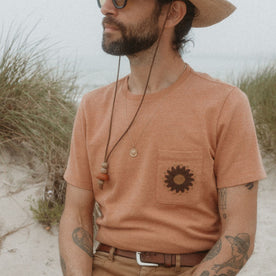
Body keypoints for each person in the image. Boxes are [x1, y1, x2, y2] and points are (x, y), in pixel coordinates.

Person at [59, 0, 266, 275]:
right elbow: (75, 216)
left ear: (172, 12)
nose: (106, 8)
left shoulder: (225, 104)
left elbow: (239, 235)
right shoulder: (92, 106)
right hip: (106, 265)